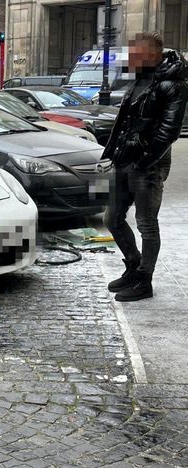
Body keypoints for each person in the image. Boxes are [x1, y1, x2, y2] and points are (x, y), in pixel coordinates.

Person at [103, 32, 188, 302]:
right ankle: (133, 265)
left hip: (149, 163)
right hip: (124, 158)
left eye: (134, 54)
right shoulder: (140, 77)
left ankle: (145, 280)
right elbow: (125, 120)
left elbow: (169, 132)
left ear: (152, 54)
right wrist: (113, 153)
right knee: (112, 218)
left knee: (146, 224)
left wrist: (143, 162)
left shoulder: (173, 84)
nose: (129, 59)